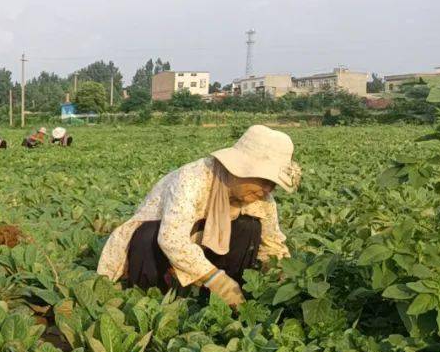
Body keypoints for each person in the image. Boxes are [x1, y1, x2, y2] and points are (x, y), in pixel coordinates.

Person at [96, 125, 301, 307]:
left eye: (273, 184)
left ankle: (219, 301)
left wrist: (283, 276)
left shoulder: (262, 200)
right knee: (147, 234)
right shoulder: (193, 178)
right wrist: (217, 281)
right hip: (162, 249)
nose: (268, 189)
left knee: (250, 226)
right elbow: (171, 239)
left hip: (202, 252)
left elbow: (273, 244)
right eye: (264, 180)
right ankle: (150, 300)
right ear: (239, 169)